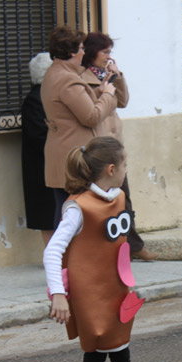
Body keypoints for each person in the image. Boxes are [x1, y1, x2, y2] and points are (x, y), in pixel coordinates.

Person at [43, 136, 150, 362]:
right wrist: (58, 294)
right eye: (125, 164)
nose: (127, 169)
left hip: (117, 288)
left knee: (121, 349)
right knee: (95, 353)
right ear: (111, 169)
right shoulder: (78, 208)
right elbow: (53, 251)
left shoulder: (118, 197)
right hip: (90, 294)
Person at [82, 32, 157, 261]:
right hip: (99, 146)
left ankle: (133, 245)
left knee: (124, 195)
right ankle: (109, 248)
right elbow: (91, 112)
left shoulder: (109, 75)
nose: (108, 57)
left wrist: (118, 77)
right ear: (92, 53)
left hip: (115, 145)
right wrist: (104, 91)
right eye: (104, 52)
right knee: (101, 199)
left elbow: (123, 101)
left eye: (110, 52)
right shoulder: (82, 78)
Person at [41, 26, 117, 230]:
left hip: (64, 153)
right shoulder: (67, 79)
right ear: (72, 52)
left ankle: (65, 251)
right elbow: (91, 117)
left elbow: (75, 108)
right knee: (72, 214)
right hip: (74, 156)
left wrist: (99, 92)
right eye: (81, 48)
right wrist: (108, 94)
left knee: (66, 210)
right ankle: (71, 252)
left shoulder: (55, 74)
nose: (84, 52)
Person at [21, 52, 56, 246]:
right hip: (42, 167)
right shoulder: (36, 99)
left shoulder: (51, 96)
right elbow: (39, 135)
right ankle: (53, 256)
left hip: (53, 165)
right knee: (47, 214)